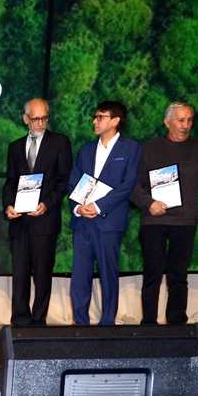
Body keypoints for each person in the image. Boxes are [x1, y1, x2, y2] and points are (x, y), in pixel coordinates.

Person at [130, 103, 198, 325]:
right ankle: (149, 323)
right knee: (152, 273)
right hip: (153, 221)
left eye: (189, 120)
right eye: (181, 120)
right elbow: (133, 186)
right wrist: (149, 203)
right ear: (167, 121)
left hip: (185, 222)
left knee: (178, 275)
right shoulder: (149, 148)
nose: (186, 125)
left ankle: (177, 324)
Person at [67, 101, 141, 326]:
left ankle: (107, 323)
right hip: (82, 222)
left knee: (108, 275)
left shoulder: (131, 148)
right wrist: (78, 207)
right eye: (95, 116)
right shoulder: (86, 149)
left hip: (109, 222)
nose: (95, 121)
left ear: (116, 121)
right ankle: (80, 323)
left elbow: (128, 184)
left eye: (100, 117)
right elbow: (73, 181)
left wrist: (98, 206)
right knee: (80, 276)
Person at [3, 98, 72, 327]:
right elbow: (10, 182)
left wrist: (47, 204)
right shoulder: (14, 147)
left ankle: (38, 320)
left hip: (45, 220)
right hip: (19, 222)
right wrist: (8, 206)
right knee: (20, 275)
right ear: (26, 119)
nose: (41, 123)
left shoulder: (60, 142)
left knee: (42, 274)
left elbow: (65, 180)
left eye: (45, 118)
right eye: (36, 119)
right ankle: (20, 320)